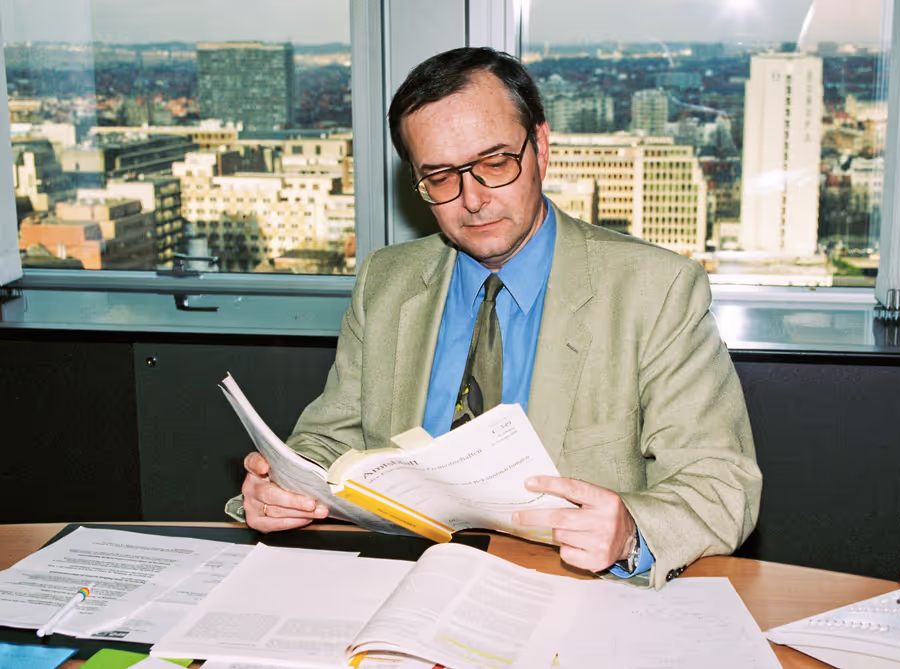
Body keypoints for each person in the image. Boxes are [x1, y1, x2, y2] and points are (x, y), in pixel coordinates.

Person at [228, 47, 761, 589]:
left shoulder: (655, 290)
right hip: (401, 587)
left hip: (571, 596)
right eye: (440, 177)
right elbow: (328, 441)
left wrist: (631, 533)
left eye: (495, 163)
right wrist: (285, 483)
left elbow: (721, 485)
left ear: (541, 148)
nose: (473, 199)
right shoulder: (385, 281)